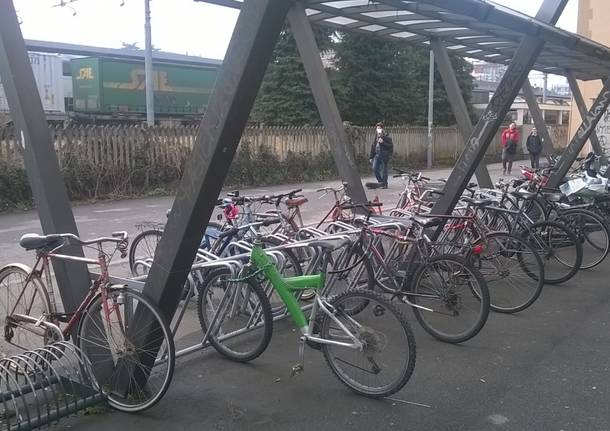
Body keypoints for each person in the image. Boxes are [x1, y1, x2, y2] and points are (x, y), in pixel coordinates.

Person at [369, 122, 393, 188]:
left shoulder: (387, 137)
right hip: (377, 155)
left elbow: (390, 146)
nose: (378, 130)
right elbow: (373, 147)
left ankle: (385, 184)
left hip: (384, 156)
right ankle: (380, 182)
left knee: (384, 170)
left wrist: (383, 142)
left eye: (379, 128)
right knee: (375, 169)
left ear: (382, 129)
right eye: (377, 128)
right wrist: (371, 157)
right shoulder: (375, 138)